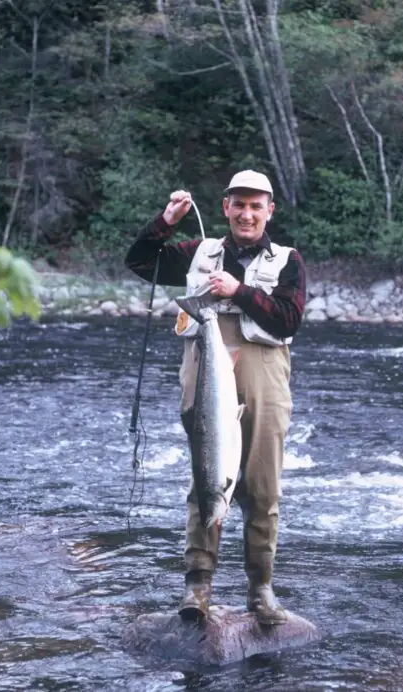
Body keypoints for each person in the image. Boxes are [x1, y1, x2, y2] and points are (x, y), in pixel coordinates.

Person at [125, 170, 307, 625]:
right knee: (206, 479)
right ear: (225, 207)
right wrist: (166, 221)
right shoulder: (197, 252)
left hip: (264, 369)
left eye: (256, 205)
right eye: (238, 204)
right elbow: (141, 263)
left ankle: (260, 589)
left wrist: (239, 292)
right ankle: (197, 587)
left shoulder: (288, 261)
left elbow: (288, 321)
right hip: (204, 366)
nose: (247, 214)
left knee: (262, 487)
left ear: (269, 210)